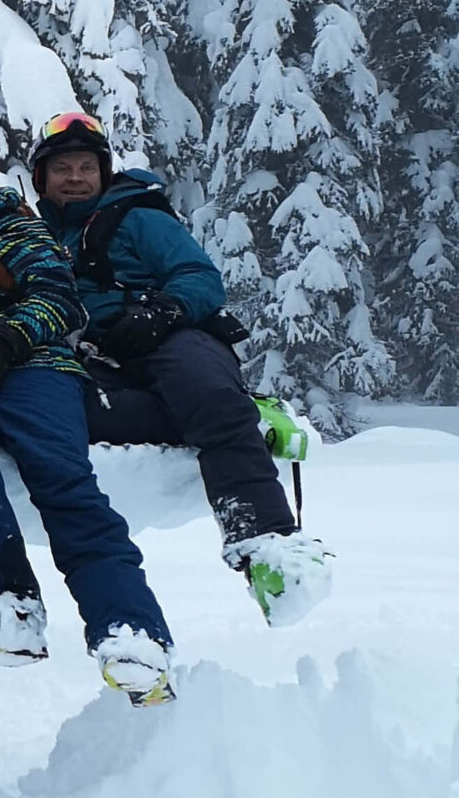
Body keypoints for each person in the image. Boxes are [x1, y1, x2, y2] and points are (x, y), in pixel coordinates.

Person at [0, 131, 178, 705]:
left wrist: (7, 340)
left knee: (64, 482)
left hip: (33, 368)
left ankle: (131, 631)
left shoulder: (9, 226)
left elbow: (57, 294)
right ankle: (6, 603)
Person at [28, 112, 332, 625]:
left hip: (171, 334)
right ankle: (241, 414)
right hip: (99, 355)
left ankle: (267, 543)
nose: (75, 177)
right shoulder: (35, 238)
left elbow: (199, 276)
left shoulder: (137, 216)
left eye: (86, 166)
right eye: (63, 168)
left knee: (209, 399)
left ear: (103, 173)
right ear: (43, 178)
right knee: (77, 415)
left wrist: (161, 311)